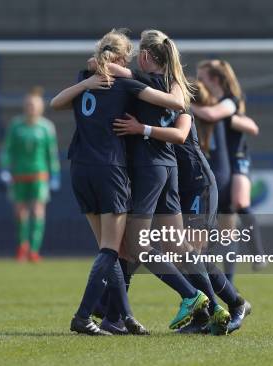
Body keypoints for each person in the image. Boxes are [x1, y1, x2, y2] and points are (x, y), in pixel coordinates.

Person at [51, 28, 206, 336]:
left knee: (112, 249)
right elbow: (175, 104)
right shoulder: (125, 84)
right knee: (115, 249)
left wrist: (87, 80)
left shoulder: (86, 76)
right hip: (110, 169)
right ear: (123, 58)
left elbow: (56, 103)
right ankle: (85, 316)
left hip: (79, 167)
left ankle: (121, 317)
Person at [95, 29, 229, 335]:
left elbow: (101, 66)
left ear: (144, 56)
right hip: (170, 168)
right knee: (178, 248)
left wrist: (139, 127)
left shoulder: (137, 81)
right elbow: (179, 104)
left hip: (148, 167)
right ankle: (214, 308)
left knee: (136, 245)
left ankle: (191, 297)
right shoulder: (174, 85)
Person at [192, 59, 265, 281]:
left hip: (238, 159)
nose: (198, 81)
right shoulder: (210, 103)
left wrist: (183, 103)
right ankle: (229, 282)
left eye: (201, 77)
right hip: (219, 164)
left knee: (240, 203)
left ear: (214, 79)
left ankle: (258, 252)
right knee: (226, 228)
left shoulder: (229, 101)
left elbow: (246, 125)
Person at [0, 87, 61, 262]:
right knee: (20, 213)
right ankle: (22, 246)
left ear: (40, 107)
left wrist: (55, 175)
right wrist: (5, 169)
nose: (31, 108)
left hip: (39, 174)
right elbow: (7, 149)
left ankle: (34, 250)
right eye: (28, 104)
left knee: (38, 211)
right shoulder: (15, 125)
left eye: (34, 105)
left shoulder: (46, 127)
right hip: (19, 174)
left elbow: (52, 153)